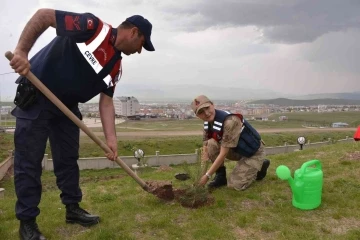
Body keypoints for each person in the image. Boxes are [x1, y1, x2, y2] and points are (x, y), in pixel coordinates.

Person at [9, 8, 155, 240]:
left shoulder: (115, 68)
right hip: (37, 95)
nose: (139, 51)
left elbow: (106, 104)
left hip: (68, 108)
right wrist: (22, 52)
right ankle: (27, 222)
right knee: (29, 162)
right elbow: (44, 16)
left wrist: (111, 140)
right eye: (141, 45)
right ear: (134, 32)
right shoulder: (91, 27)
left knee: (68, 160)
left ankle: (72, 209)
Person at [191, 95, 270, 190]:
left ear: (212, 105)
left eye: (207, 108)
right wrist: (201, 174)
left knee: (234, 185)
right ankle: (220, 177)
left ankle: (259, 168)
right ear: (197, 116)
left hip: (253, 153)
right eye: (201, 112)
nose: (206, 113)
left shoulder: (230, 121)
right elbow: (206, 148)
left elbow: (223, 154)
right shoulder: (207, 123)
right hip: (236, 149)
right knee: (211, 144)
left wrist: (206, 176)